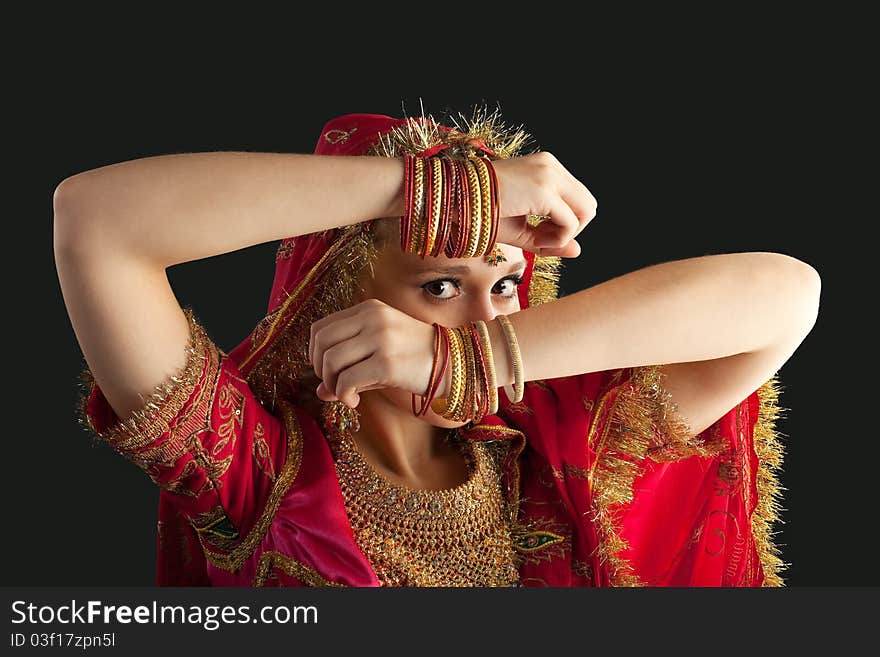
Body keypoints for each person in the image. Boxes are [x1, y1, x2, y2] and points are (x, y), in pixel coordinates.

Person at [54, 106, 820, 587]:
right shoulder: (257, 472)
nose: (482, 320)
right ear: (341, 295)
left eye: (506, 285)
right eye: (441, 287)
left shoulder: (540, 453)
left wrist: (476, 360)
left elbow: (788, 292)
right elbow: (95, 223)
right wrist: (422, 191)